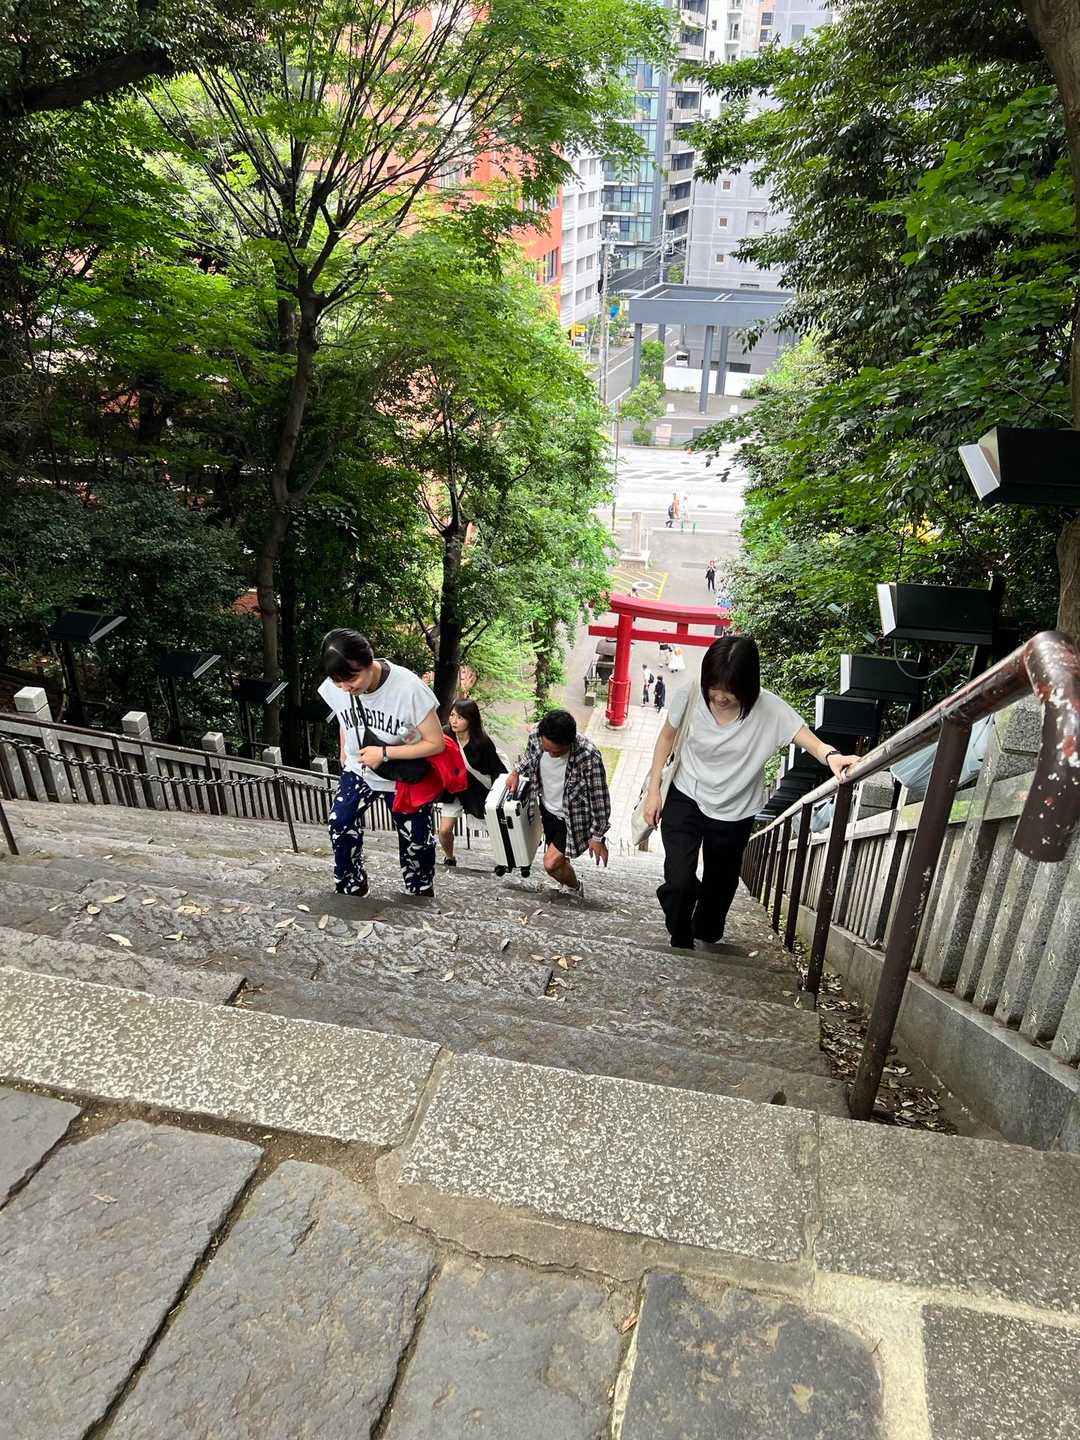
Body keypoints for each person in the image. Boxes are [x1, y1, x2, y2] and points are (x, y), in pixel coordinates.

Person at [642, 635, 858, 950]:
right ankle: (680, 932)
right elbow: (666, 737)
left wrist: (832, 756)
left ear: (748, 685)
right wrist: (654, 791)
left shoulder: (769, 709)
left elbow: (809, 740)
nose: (719, 697)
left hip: (736, 810)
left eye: (729, 690)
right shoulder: (691, 694)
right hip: (687, 795)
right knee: (679, 880)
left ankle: (705, 927)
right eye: (713, 687)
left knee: (718, 890)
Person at [318, 629, 446, 898]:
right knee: (340, 824)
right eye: (338, 682)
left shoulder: (408, 689)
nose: (345, 687)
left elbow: (436, 743)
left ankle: (419, 889)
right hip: (359, 769)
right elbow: (343, 716)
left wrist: (385, 753)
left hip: (403, 775)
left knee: (417, 838)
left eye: (352, 678)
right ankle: (351, 886)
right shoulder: (338, 683)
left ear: (369, 661)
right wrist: (344, 749)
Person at [506, 709, 611, 898]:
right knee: (559, 861)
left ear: (569, 743)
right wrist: (515, 771)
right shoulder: (537, 735)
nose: (550, 754)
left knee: (550, 863)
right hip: (547, 810)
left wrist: (597, 836)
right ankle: (568, 880)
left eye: (556, 751)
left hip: (573, 818)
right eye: (546, 749)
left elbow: (600, 798)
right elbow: (530, 755)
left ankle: (575, 888)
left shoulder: (588, 755)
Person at [438, 698, 507, 866]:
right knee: (444, 830)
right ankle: (449, 857)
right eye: (452, 715)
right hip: (454, 788)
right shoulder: (445, 734)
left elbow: (496, 769)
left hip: (477, 789)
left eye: (460, 717)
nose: (454, 721)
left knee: (494, 828)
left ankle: (504, 860)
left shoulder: (482, 742)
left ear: (471, 720)